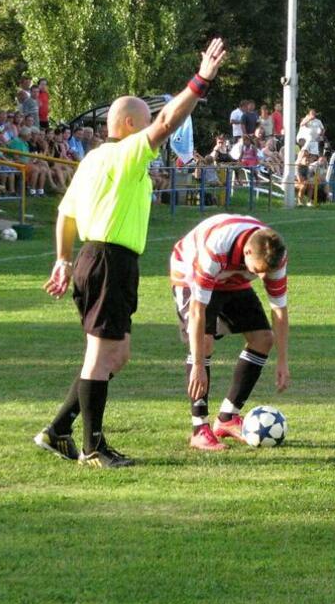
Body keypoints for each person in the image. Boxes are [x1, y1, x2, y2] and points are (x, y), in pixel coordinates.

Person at [34, 37, 227, 468]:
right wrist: (201, 80)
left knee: (116, 354)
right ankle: (92, 448)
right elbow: (168, 122)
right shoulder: (125, 154)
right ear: (127, 124)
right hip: (108, 261)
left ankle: (59, 430)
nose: (151, 129)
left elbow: (65, 214)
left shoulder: (92, 160)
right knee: (100, 355)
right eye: (144, 122)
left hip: (99, 260)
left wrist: (63, 259)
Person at [170, 214, 290, 450]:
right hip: (189, 272)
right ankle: (199, 429)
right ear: (247, 252)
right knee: (204, 343)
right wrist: (198, 365)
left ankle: (227, 418)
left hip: (233, 278)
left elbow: (280, 311)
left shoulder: (275, 256)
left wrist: (283, 361)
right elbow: (197, 310)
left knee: (263, 339)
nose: (263, 277)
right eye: (258, 271)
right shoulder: (216, 247)